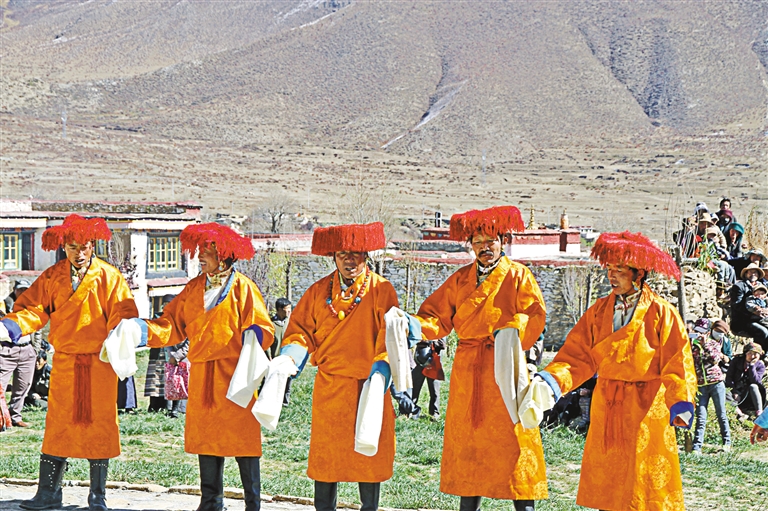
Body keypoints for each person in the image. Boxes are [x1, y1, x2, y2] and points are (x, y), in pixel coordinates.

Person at [537, 231, 697, 511]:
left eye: (620, 270)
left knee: (642, 482)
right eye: (609, 269)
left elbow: (677, 361)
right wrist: (552, 380)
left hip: (645, 407)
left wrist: (680, 401)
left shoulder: (661, 312)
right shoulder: (599, 311)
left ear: (638, 274)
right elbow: (577, 355)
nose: (611, 276)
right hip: (607, 402)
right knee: (609, 480)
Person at [121, 222, 275, 511]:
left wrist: (253, 335)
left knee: (244, 441)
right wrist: (140, 330)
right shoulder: (193, 288)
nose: (199, 256)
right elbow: (171, 324)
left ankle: (252, 504)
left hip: (236, 377)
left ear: (224, 255)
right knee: (206, 440)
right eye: (200, 250)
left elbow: (264, 327)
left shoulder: (244, 288)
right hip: (203, 375)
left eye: (207, 251)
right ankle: (210, 502)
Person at [412, 206, 548, 511]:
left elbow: (535, 315)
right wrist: (412, 326)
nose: (485, 248)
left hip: (506, 367)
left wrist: (511, 330)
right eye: (478, 242)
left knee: (516, 440)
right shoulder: (461, 279)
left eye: (491, 241)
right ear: (470, 246)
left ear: (503, 241)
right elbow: (436, 316)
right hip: (468, 369)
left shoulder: (518, 275)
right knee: (470, 441)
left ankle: (524, 505)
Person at [0, 214, 139, 511]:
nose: (78, 253)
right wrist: (10, 326)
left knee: (100, 426)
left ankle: (97, 496)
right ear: (64, 247)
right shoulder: (52, 276)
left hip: (99, 363)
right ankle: (48, 493)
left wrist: (123, 331)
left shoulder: (110, 277)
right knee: (57, 426)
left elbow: (123, 312)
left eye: (84, 247)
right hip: (65, 363)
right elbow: (33, 309)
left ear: (93, 246)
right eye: (72, 247)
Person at [279, 222, 399, 511]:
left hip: (369, 386)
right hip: (330, 387)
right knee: (327, 458)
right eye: (343, 254)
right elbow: (300, 332)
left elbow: (390, 336)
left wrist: (381, 373)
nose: (349, 260)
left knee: (368, 456)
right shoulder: (318, 291)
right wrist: (289, 357)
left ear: (366, 256)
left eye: (356, 254)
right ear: (333, 256)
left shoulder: (381, 290)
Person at [689, 318, 732, 453]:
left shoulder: (714, 343)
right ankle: (697, 447)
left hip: (716, 383)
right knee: (701, 416)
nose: (699, 334)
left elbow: (715, 359)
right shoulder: (691, 346)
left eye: (702, 332)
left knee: (721, 414)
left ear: (708, 333)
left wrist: (705, 345)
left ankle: (727, 443)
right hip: (701, 385)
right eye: (697, 331)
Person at [0, 279, 38, 428]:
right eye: (20, 289)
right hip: (7, 350)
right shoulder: (4, 306)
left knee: (23, 385)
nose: (23, 292)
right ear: (14, 290)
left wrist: (35, 349)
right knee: (1, 385)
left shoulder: (32, 306)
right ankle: (2, 418)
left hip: (27, 350)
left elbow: (37, 329)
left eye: (25, 289)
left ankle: (15, 416)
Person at [144, 294, 176, 413]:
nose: (166, 307)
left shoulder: (177, 317)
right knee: (155, 380)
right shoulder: (157, 317)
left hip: (170, 353)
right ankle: (154, 406)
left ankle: (168, 407)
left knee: (169, 380)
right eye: (165, 305)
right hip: (157, 353)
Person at [730, 263, 768, 351]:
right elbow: (736, 305)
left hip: (760, 318)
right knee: (764, 332)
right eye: (750, 272)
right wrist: (754, 311)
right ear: (746, 274)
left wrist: (765, 310)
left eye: (755, 272)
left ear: (758, 275)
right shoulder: (739, 286)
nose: (753, 274)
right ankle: (757, 353)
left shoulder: (761, 286)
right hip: (743, 320)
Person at [725, 342, 766, 421]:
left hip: (748, 395)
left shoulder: (760, 365)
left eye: (755, 354)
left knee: (753, 386)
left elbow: (756, 381)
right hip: (736, 391)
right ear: (745, 353)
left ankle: (759, 413)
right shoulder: (736, 361)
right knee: (723, 388)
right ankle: (739, 413)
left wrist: (752, 366)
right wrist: (734, 392)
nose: (752, 356)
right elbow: (729, 378)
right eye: (750, 353)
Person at [412, 337, 447, 420]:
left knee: (434, 389)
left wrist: (432, 342)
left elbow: (443, 344)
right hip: (420, 358)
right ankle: (411, 410)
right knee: (415, 387)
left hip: (433, 360)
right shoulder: (421, 327)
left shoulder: (439, 329)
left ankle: (434, 412)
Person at [270, 298, 292, 405]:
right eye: (287, 309)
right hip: (274, 357)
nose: (289, 311)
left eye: (290, 309)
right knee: (272, 379)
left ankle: (285, 401)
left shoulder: (291, 322)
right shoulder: (271, 324)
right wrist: (269, 356)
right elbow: (267, 341)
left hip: (287, 356)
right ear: (279, 309)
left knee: (288, 379)